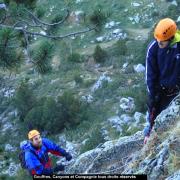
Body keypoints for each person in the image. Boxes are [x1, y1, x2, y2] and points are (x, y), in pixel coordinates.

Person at [144, 18, 180, 144]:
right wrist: (153, 96)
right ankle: (148, 137)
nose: (158, 43)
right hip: (161, 92)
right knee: (153, 118)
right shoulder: (153, 49)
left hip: (177, 92)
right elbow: (150, 76)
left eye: (162, 42)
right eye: (157, 40)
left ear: (171, 38)